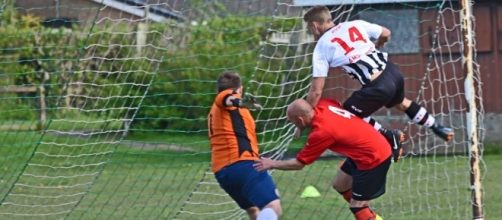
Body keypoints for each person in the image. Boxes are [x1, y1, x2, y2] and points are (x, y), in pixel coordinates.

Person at [301, 6, 454, 152]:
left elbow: (316, 91)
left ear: (315, 26)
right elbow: (386, 33)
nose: (311, 33)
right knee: (402, 103)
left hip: (378, 86)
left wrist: (305, 118)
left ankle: (389, 136)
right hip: (393, 73)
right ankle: (437, 127)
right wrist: (379, 44)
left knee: (348, 112)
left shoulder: (321, 47)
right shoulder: (355, 24)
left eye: (309, 29)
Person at [254, 98, 391, 220]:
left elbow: (299, 164)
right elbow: (334, 106)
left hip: (373, 157)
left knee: (357, 206)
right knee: (340, 185)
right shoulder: (324, 103)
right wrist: (301, 128)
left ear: (301, 120)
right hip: (364, 148)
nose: (293, 125)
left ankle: (366, 214)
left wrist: (271, 163)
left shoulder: (321, 133)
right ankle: (369, 215)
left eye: (293, 122)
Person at [208, 71, 282, 220]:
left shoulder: (216, 112)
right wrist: (239, 101)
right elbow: (227, 98)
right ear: (240, 89)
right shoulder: (227, 100)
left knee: (254, 211)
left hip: (223, 173)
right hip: (242, 164)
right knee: (273, 206)